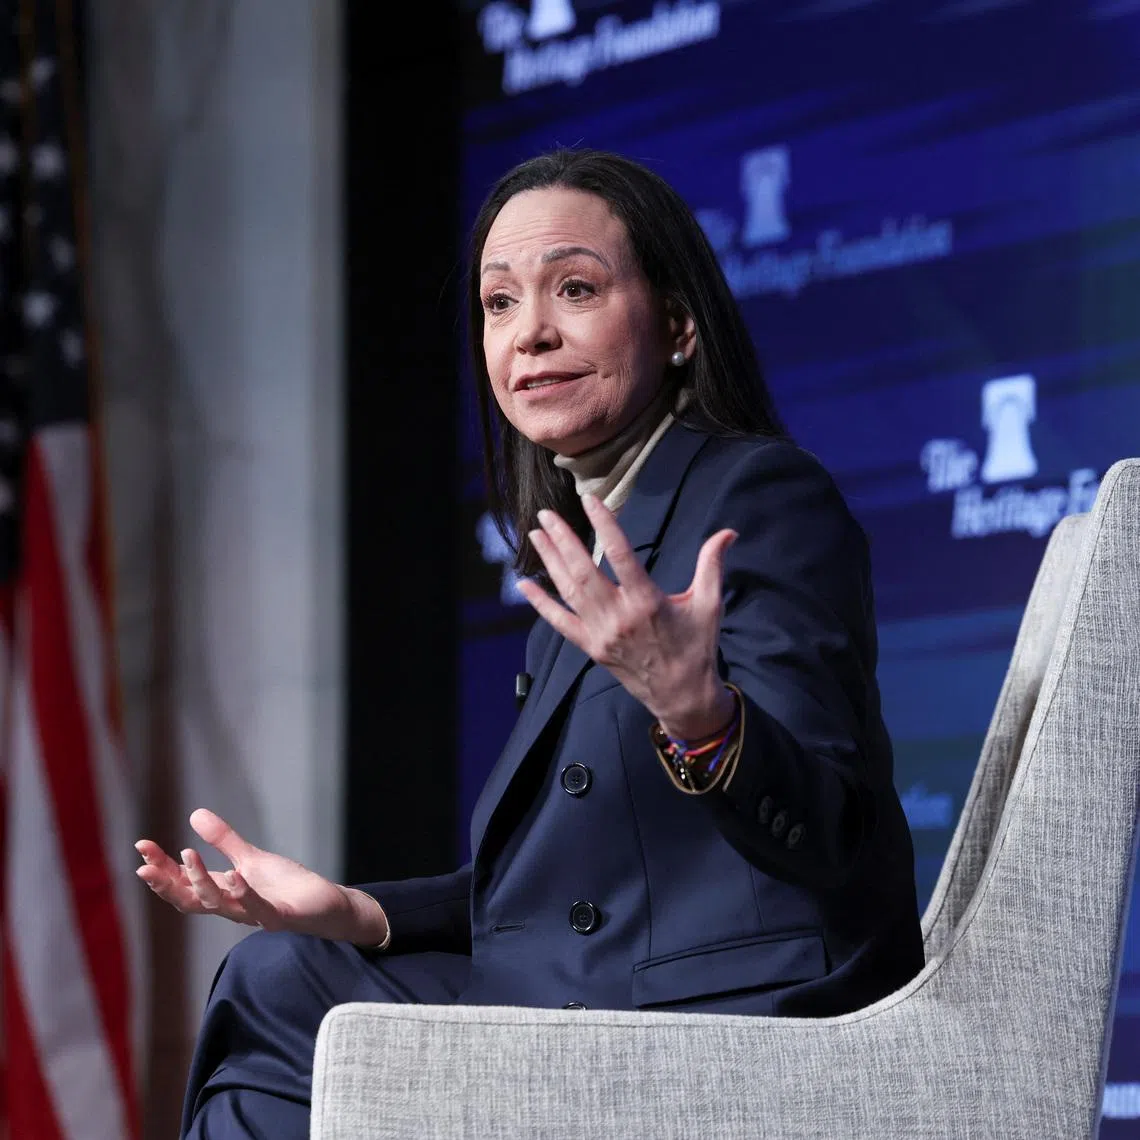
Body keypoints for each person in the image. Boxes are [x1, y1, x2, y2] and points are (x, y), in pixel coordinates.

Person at [136, 147, 924, 1139]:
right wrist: (354, 912)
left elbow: (832, 831)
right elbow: (559, 892)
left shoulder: (757, 497)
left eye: (577, 289)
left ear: (679, 324)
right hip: (598, 993)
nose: (531, 334)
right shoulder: (590, 543)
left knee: (278, 993)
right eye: (499, 304)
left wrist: (701, 716)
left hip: (725, 1021)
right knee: (286, 975)